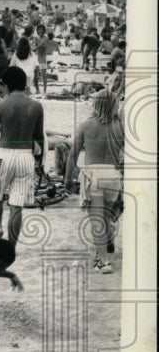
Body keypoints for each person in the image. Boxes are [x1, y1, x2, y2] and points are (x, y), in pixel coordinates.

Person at [0, 66, 45, 245]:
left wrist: (2, 124)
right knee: (17, 204)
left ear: (7, 84)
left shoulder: (0, 105)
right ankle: (11, 246)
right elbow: (39, 136)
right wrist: (39, 159)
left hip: (4, 154)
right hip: (26, 156)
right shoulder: (36, 106)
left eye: (2, 84)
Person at [68, 89, 123, 274]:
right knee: (106, 218)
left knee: (97, 222)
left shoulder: (86, 126)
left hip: (93, 176)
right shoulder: (120, 127)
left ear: (95, 104)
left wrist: (68, 178)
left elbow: (72, 156)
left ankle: (104, 262)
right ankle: (104, 249)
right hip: (113, 177)